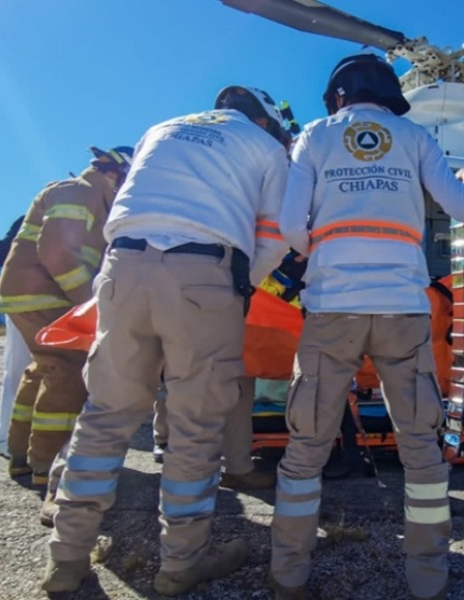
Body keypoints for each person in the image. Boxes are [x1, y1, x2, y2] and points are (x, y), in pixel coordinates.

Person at [42, 86, 291, 596]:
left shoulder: (162, 128)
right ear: (265, 122)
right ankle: (181, 562)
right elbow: (276, 234)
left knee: (105, 415)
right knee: (196, 425)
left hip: (121, 268)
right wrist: (237, 289)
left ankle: (66, 561)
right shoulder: (265, 148)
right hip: (202, 271)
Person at [271, 52, 464, 600]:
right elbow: (460, 207)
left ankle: (288, 573)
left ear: (338, 95)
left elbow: (292, 225)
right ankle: (428, 578)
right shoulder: (414, 137)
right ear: (390, 95)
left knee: (307, 444)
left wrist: (325, 253)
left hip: (331, 307)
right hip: (401, 308)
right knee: (420, 445)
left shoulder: (315, 136)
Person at [0, 149, 133, 483]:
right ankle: (46, 465)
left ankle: (21, 456)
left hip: (34, 293)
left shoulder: (90, 198)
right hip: (42, 293)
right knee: (67, 372)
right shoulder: (77, 192)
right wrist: (90, 303)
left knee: (42, 368)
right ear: (116, 174)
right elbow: (58, 252)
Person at [0, 216, 29, 458]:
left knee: (17, 371)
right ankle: (8, 441)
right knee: (20, 370)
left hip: (20, 296)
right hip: (29, 297)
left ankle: (9, 440)